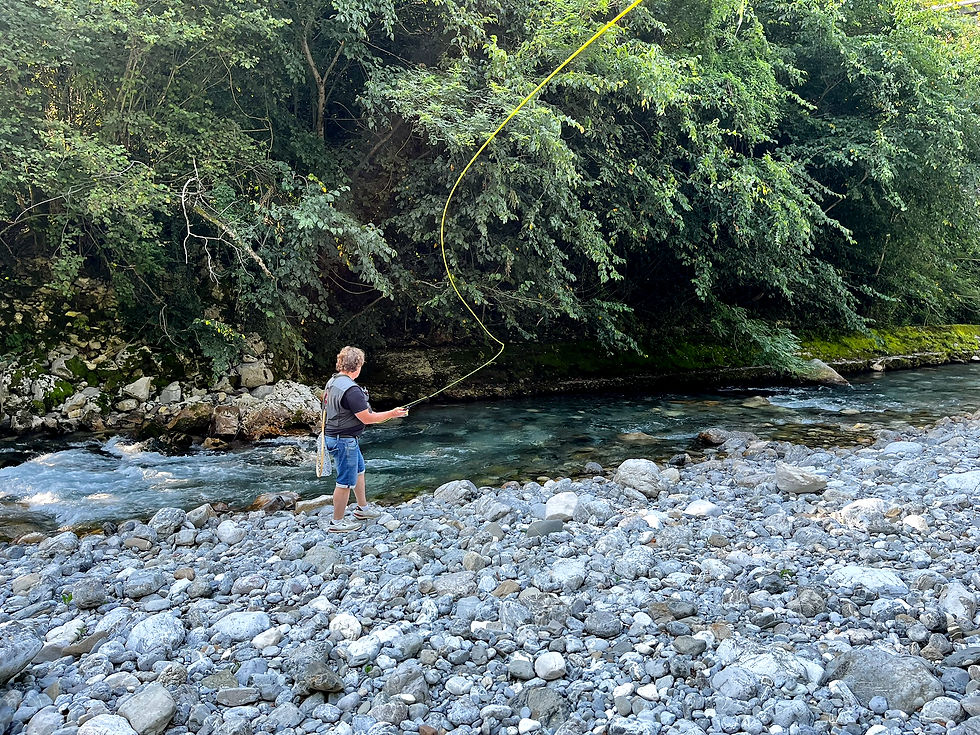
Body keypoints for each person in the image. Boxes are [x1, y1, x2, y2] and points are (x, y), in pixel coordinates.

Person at [322, 346, 408, 532]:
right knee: (345, 482)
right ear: (357, 366)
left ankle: (362, 509)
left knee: (359, 470)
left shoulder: (333, 381)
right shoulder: (352, 390)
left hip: (337, 437)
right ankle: (337, 522)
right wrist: (392, 414)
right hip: (343, 441)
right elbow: (367, 418)